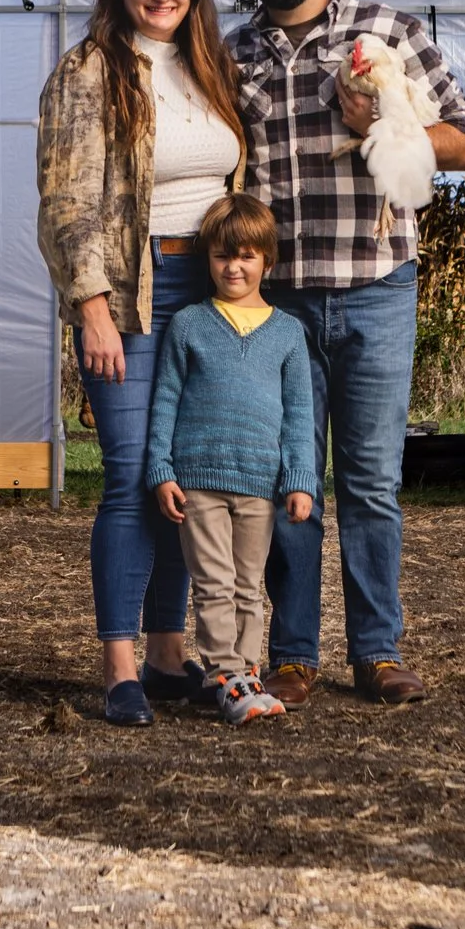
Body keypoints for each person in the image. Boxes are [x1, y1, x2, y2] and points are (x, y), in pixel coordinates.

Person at [222, 0, 465, 709]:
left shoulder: (389, 32)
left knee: (370, 480)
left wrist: (383, 126)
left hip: (375, 287)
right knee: (289, 480)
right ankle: (294, 653)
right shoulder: (232, 54)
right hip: (280, 303)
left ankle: (377, 648)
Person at [36, 0, 246, 726]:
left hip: (211, 288)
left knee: (180, 478)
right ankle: (119, 666)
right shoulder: (87, 71)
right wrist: (90, 306)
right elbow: (65, 201)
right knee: (129, 473)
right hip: (130, 289)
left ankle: (166, 655)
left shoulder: (210, 68)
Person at [147, 194, 318, 726]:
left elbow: (299, 415)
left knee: (249, 584)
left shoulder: (288, 333)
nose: (234, 267)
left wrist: (299, 479)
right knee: (215, 584)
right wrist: (161, 468)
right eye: (223, 256)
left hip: (259, 484)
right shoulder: (189, 324)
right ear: (209, 260)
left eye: (246, 256)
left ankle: (245, 671)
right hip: (198, 481)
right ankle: (224, 672)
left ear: (268, 260)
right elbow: (166, 400)